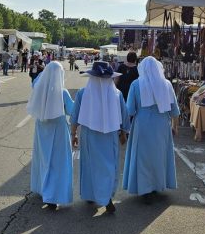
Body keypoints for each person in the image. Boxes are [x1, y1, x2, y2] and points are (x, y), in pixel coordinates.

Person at [70, 61, 129, 213]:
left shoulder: (83, 93)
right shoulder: (117, 94)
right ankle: (106, 196)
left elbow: (75, 116)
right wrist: (124, 134)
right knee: (109, 166)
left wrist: (73, 134)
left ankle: (91, 194)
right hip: (110, 136)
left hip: (89, 135)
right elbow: (124, 116)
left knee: (90, 165)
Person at [123, 56, 180, 203]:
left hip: (142, 125)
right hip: (161, 125)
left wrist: (124, 129)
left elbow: (129, 110)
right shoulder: (166, 84)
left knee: (143, 157)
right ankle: (156, 185)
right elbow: (174, 110)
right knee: (159, 156)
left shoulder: (136, 84)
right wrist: (175, 126)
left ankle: (145, 189)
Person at [27, 61, 75, 210]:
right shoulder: (63, 92)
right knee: (58, 162)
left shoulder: (39, 88)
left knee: (43, 159)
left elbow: (35, 84)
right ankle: (53, 195)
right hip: (59, 129)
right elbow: (72, 111)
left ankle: (42, 188)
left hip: (42, 128)